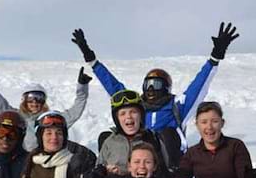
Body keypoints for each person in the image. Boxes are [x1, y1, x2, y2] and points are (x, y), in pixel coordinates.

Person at [71, 22, 239, 164]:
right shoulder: (137, 106)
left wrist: (214, 58)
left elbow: (198, 86)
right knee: (109, 136)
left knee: (167, 134)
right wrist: (91, 59)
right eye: (148, 84)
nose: (151, 88)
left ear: (166, 87)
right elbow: (113, 87)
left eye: (156, 84)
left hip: (166, 162)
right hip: (138, 161)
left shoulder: (176, 107)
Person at [0, 58, 96, 176]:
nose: (34, 102)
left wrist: (82, 86)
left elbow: (76, 111)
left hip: (47, 161)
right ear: (24, 100)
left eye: (39, 98)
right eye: (30, 98)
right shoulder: (16, 117)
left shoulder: (50, 120)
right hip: (20, 161)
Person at [92, 89, 170, 178]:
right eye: (123, 114)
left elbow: (164, 174)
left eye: (133, 112)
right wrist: (104, 172)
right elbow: (97, 173)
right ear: (117, 119)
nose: (128, 117)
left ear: (141, 116)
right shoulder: (110, 142)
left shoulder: (152, 139)